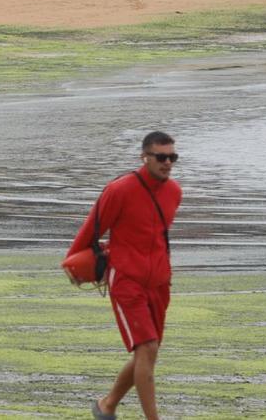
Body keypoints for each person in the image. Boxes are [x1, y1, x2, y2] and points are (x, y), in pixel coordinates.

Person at [67, 131, 182, 420]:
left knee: (148, 353)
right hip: (126, 280)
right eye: (161, 157)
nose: (167, 163)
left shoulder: (174, 192)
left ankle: (107, 405)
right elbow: (91, 230)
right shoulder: (119, 190)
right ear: (144, 157)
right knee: (147, 347)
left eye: (172, 157)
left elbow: (156, 236)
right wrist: (75, 266)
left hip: (159, 282)